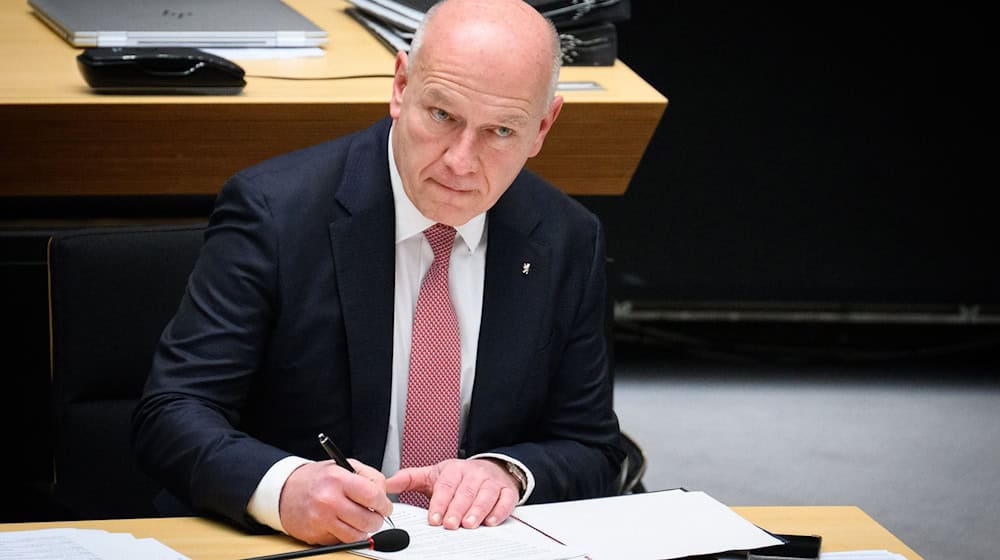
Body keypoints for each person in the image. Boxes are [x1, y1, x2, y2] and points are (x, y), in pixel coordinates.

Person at [132, 0, 624, 546]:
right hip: (295, 545)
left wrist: (505, 472)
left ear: (543, 127)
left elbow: (592, 446)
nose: (461, 161)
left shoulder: (566, 237)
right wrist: (283, 486)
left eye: (501, 131)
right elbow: (172, 412)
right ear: (400, 84)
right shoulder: (275, 212)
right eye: (442, 116)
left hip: (472, 548)